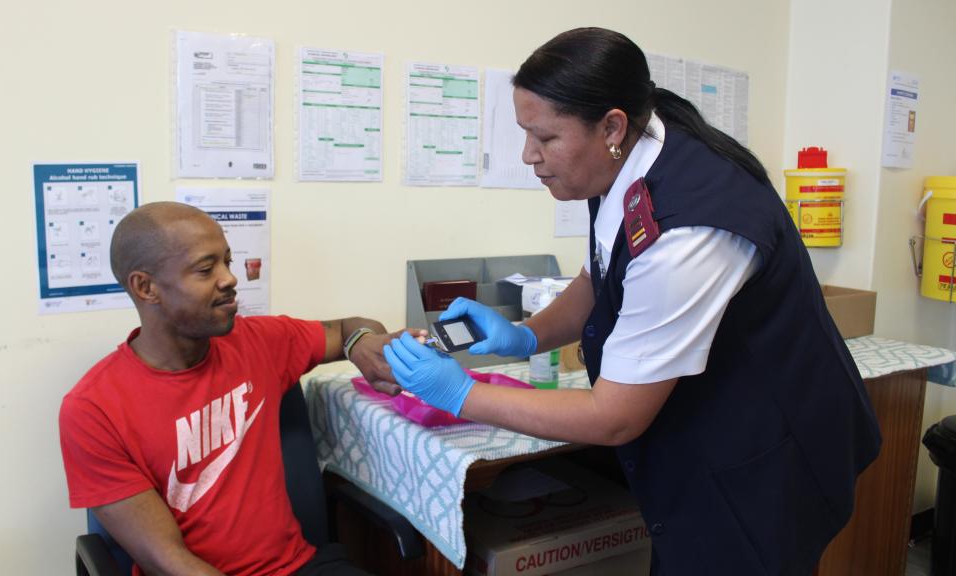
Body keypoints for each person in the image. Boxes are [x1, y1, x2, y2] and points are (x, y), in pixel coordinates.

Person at [384, 28, 881, 575]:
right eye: (525, 134)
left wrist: (461, 393)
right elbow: (601, 275)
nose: (529, 156)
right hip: (703, 436)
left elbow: (614, 419)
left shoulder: (691, 231)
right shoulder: (628, 153)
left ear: (611, 126)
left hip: (765, 462)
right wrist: (528, 334)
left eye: (546, 138)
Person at [60, 201, 410, 576]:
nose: (229, 279)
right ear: (146, 287)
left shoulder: (257, 341)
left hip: (298, 567)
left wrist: (360, 342)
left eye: (227, 261)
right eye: (206, 269)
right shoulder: (93, 409)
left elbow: (347, 329)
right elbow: (166, 561)